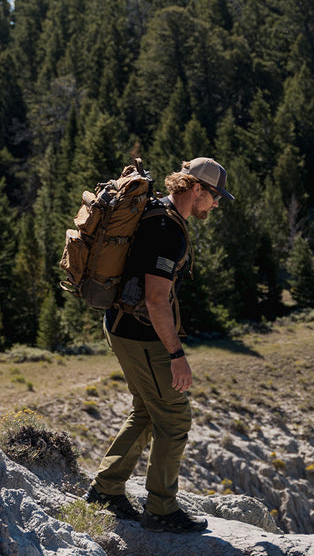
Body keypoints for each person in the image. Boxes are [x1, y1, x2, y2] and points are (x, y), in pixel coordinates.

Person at [85, 157, 234, 534]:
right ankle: (161, 510)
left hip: (121, 324)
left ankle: (106, 490)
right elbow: (155, 299)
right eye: (214, 196)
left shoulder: (157, 212)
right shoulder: (168, 229)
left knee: (146, 410)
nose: (216, 204)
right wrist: (176, 355)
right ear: (196, 189)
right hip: (141, 334)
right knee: (175, 417)